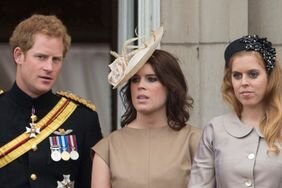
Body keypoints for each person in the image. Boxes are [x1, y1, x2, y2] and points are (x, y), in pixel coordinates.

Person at [91, 26, 202, 188]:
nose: (141, 86)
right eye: (135, 80)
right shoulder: (107, 148)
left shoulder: (195, 140)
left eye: (151, 79)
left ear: (170, 86)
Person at [0, 14, 103, 188]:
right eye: (41, 57)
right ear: (19, 56)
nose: (49, 68)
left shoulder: (83, 119)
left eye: (56, 59)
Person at [188, 35, 282, 188]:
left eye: (253, 74)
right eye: (237, 75)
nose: (244, 83)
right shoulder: (216, 129)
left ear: (270, 77)